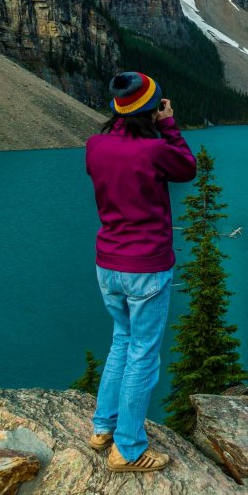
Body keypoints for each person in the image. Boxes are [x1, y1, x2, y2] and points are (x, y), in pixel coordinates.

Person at [85, 71, 197, 473]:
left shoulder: (95, 145)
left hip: (108, 265)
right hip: (146, 268)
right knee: (144, 356)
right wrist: (168, 125)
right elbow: (186, 168)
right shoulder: (153, 149)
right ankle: (128, 448)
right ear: (153, 107)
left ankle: (102, 427)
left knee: (121, 341)